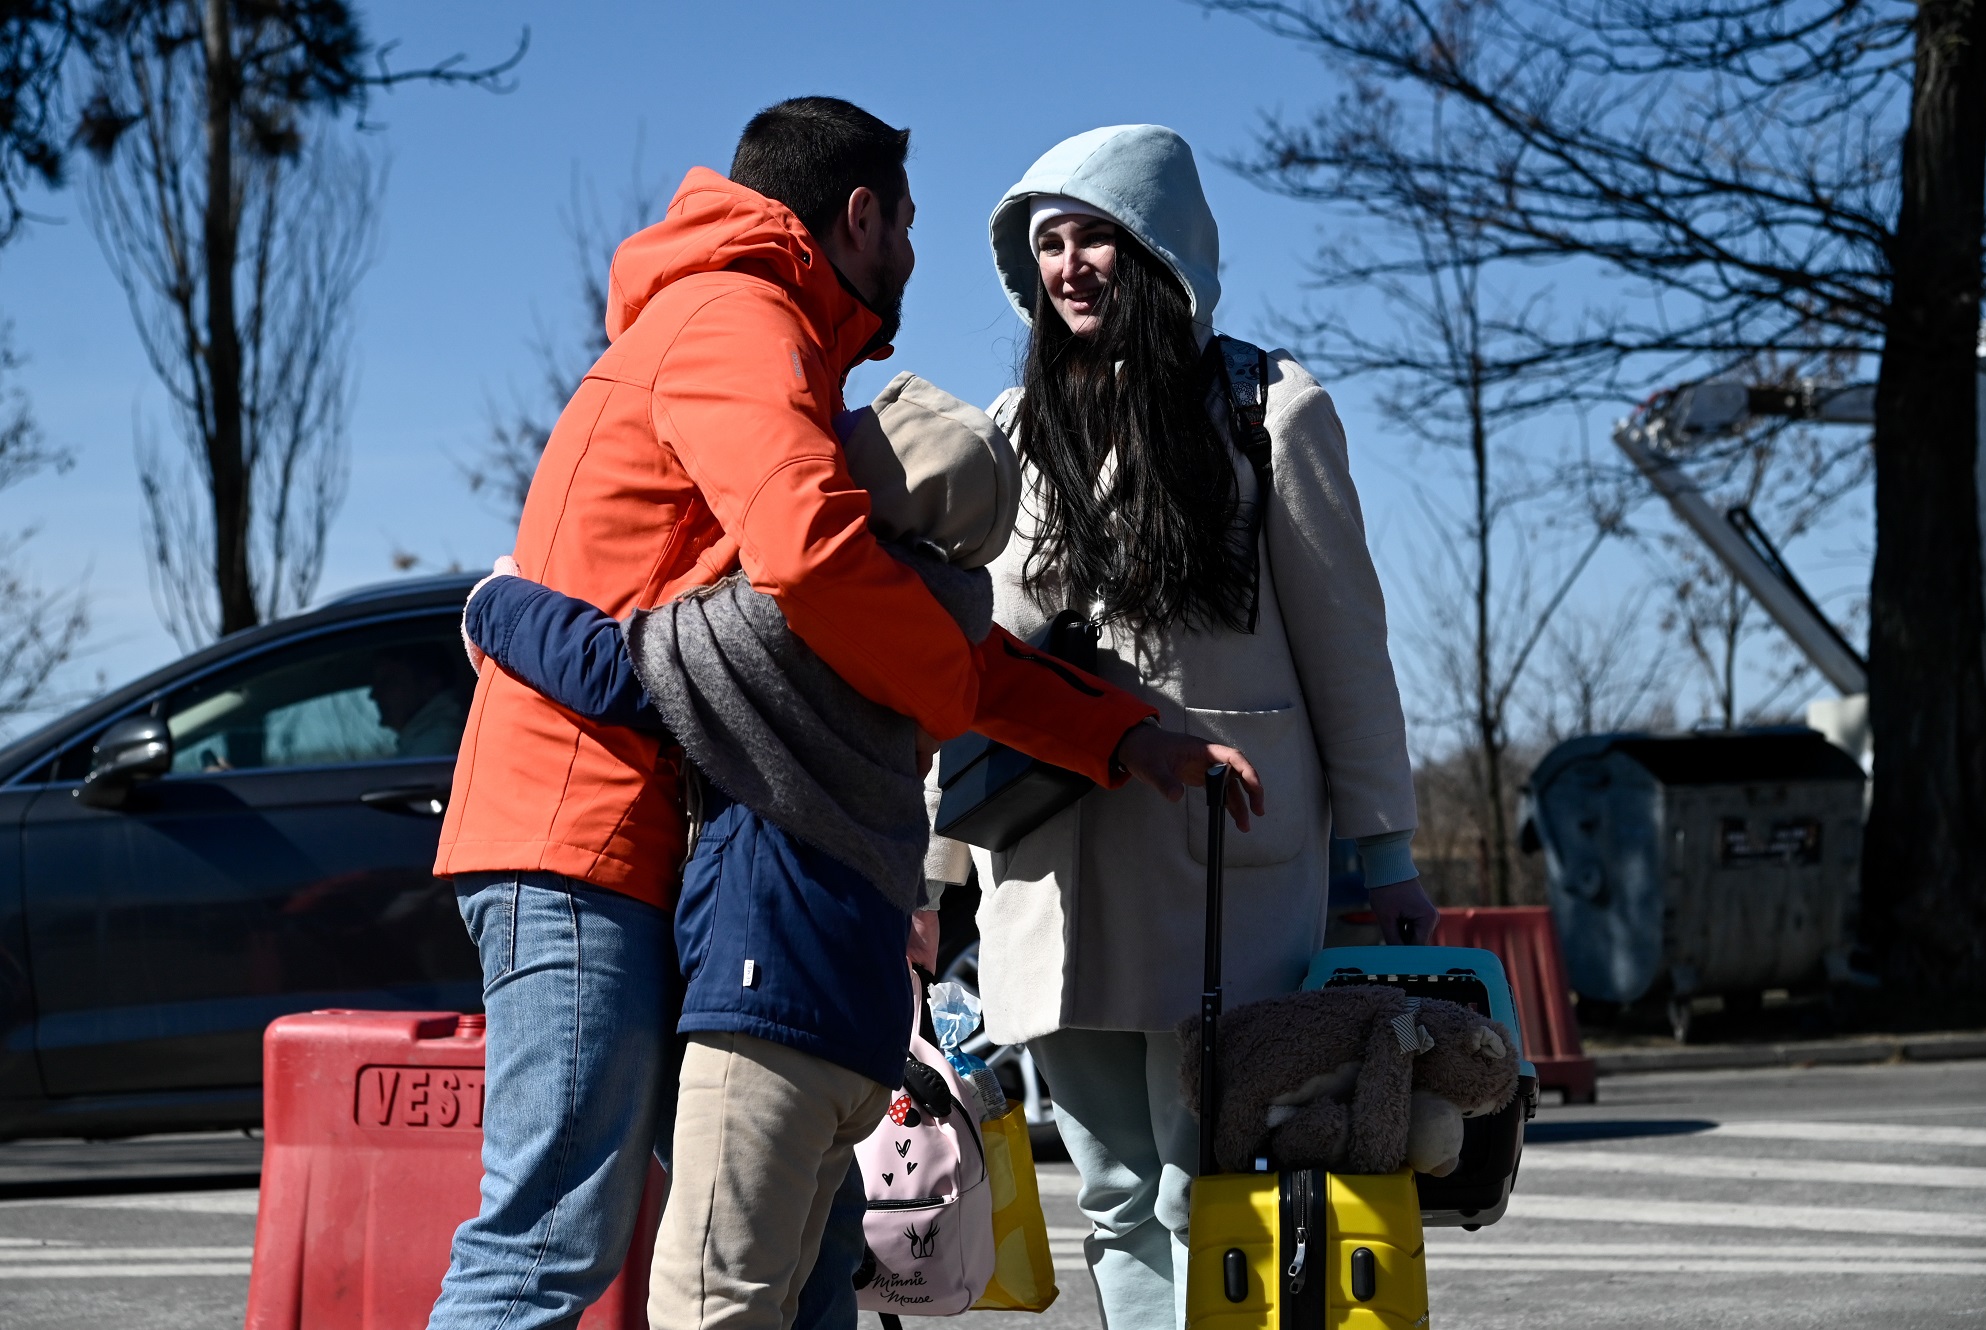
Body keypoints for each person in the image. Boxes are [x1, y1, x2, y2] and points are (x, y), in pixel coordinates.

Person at [427, 100, 1254, 1330]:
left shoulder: (774, 342)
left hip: (666, 833)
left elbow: (900, 632)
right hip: (576, 832)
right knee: (557, 1231)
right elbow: (814, 569)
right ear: (859, 216)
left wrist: (1122, 735)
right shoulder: (737, 317)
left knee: (804, 1247)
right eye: (908, 224)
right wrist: (945, 683)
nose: (917, 257)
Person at [930, 124, 1440, 1330]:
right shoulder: (1006, 430)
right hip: (1048, 864)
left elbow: (1346, 649)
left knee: (1201, 1173)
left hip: (1218, 856)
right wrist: (932, 868)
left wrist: (1387, 852)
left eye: (1093, 234)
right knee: (1107, 1187)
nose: (1068, 267)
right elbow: (959, 664)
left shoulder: (1270, 410)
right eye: (1046, 244)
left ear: (1161, 248)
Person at [371, 642, 470, 758]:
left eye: (388, 682)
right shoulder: (421, 743)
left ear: (430, 685)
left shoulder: (436, 746)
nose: (374, 695)